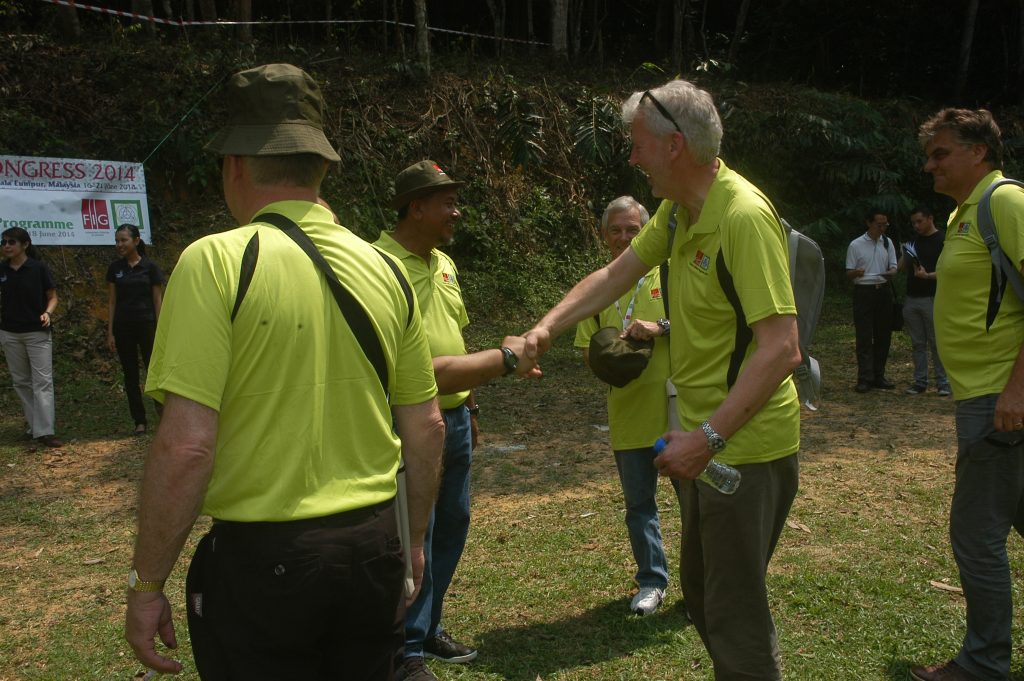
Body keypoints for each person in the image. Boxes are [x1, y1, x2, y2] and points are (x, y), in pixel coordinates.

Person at [123, 63, 445, 680]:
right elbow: (427, 426)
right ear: (321, 166)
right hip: (374, 545)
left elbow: (188, 446)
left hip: (264, 563)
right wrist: (413, 541)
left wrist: (147, 583)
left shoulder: (215, 262)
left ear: (234, 166)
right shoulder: (386, 268)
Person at [524, 79, 801, 680]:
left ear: (674, 145)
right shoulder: (679, 213)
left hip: (744, 449)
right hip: (709, 443)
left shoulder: (742, 217)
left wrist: (708, 438)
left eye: (638, 144)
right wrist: (546, 328)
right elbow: (615, 275)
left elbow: (782, 349)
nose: (632, 158)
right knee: (702, 595)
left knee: (732, 612)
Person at [375, 159, 540, 681]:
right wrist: (505, 360)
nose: (457, 211)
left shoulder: (444, 263)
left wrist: (469, 405)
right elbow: (418, 370)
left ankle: (426, 627)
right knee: (411, 533)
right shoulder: (378, 266)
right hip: (407, 422)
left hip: (455, 420)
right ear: (416, 207)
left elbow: (455, 338)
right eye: (447, 203)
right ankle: (403, 645)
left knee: (452, 523)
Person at [910, 109, 1024, 681]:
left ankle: (983, 664)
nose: (929, 165)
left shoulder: (1004, 202)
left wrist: (1017, 389)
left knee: (976, 535)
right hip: (983, 396)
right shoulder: (964, 214)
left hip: (998, 398)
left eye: (941, 153)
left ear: (978, 151)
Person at [573, 195, 679, 616]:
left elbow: (701, 322)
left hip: (677, 410)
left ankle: (704, 584)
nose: (623, 237)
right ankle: (652, 581)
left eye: (632, 230)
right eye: (615, 230)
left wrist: (660, 326)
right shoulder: (597, 287)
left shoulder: (669, 273)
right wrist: (609, 355)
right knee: (639, 506)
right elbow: (587, 350)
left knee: (696, 503)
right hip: (628, 413)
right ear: (604, 235)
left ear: (647, 232)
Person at [0, 227, 61, 448]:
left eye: (12, 242)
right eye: (4, 242)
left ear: (25, 245)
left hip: (37, 333)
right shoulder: (2, 269)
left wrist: (48, 313)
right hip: (10, 333)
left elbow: (53, 297)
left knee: (42, 382)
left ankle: (46, 431)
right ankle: (34, 426)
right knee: (21, 382)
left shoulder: (38, 268)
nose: (7, 246)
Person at [106, 224, 165, 434]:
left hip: (147, 325)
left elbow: (157, 300)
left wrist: (161, 329)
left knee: (154, 372)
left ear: (136, 241)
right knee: (130, 375)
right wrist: (110, 332)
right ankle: (139, 421)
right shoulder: (115, 269)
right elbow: (112, 302)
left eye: (124, 240)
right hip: (123, 327)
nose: (119, 245)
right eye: (117, 241)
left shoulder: (150, 267)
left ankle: (163, 416)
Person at [898, 206, 951, 397]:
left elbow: (948, 270)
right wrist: (903, 256)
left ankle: (943, 382)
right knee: (917, 343)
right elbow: (901, 267)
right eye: (913, 223)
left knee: (936, 342)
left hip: (933, 297)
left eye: (919, 221)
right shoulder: (914, 241)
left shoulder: (943, 240)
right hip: (912, 297)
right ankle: (920, 381)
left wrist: (928, 276)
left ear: (930, 218)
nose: (916, 226)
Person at [846, 209, 898, 393]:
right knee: (864, 335)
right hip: (864, 291)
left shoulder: (887, 242)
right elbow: (849, 272)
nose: (882, 228)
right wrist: (856, 272)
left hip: (883, 290)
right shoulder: (856, 245)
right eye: (879, 225)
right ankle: (864, 377)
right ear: (869, 223)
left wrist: (891, 273)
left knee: (883, 335)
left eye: (885, 225)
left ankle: (879, 375)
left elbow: (894, 267)